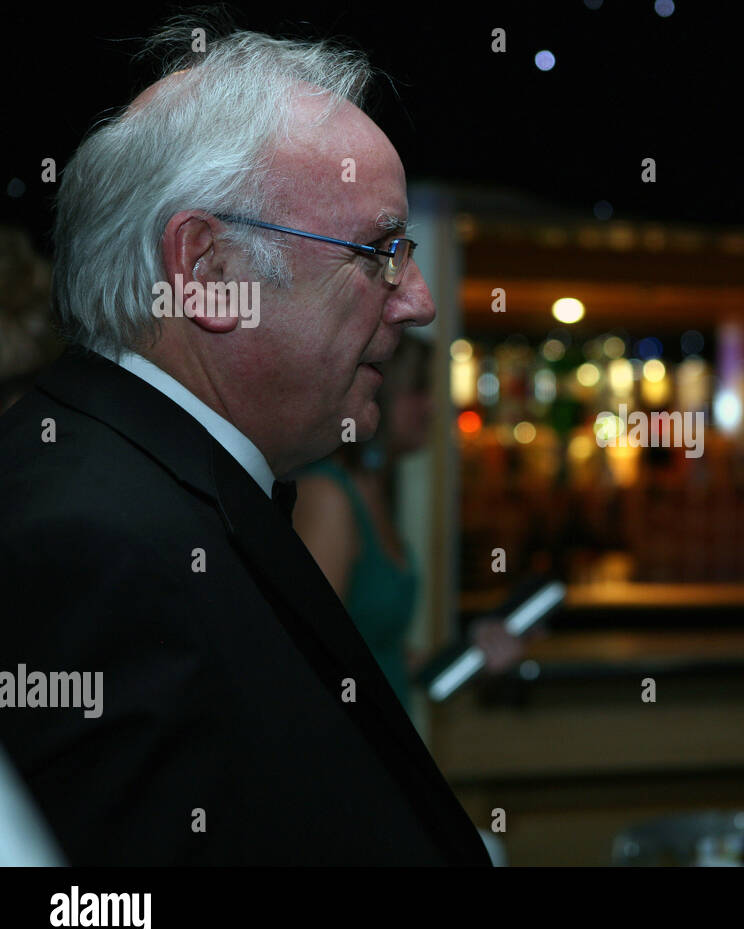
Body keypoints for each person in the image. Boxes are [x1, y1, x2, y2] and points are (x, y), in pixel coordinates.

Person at [0, 23, 490, 864]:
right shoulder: (92, 542)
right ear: (211, 272)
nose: (416, 302)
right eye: (379, 251)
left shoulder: (151, 489)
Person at [293, 334, 525, 716]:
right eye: (418, 389)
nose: (433, 405)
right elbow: (308, 659)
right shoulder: (328, 496)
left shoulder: (376, 490)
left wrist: (473, 656)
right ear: (375, 388)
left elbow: (383, 656)